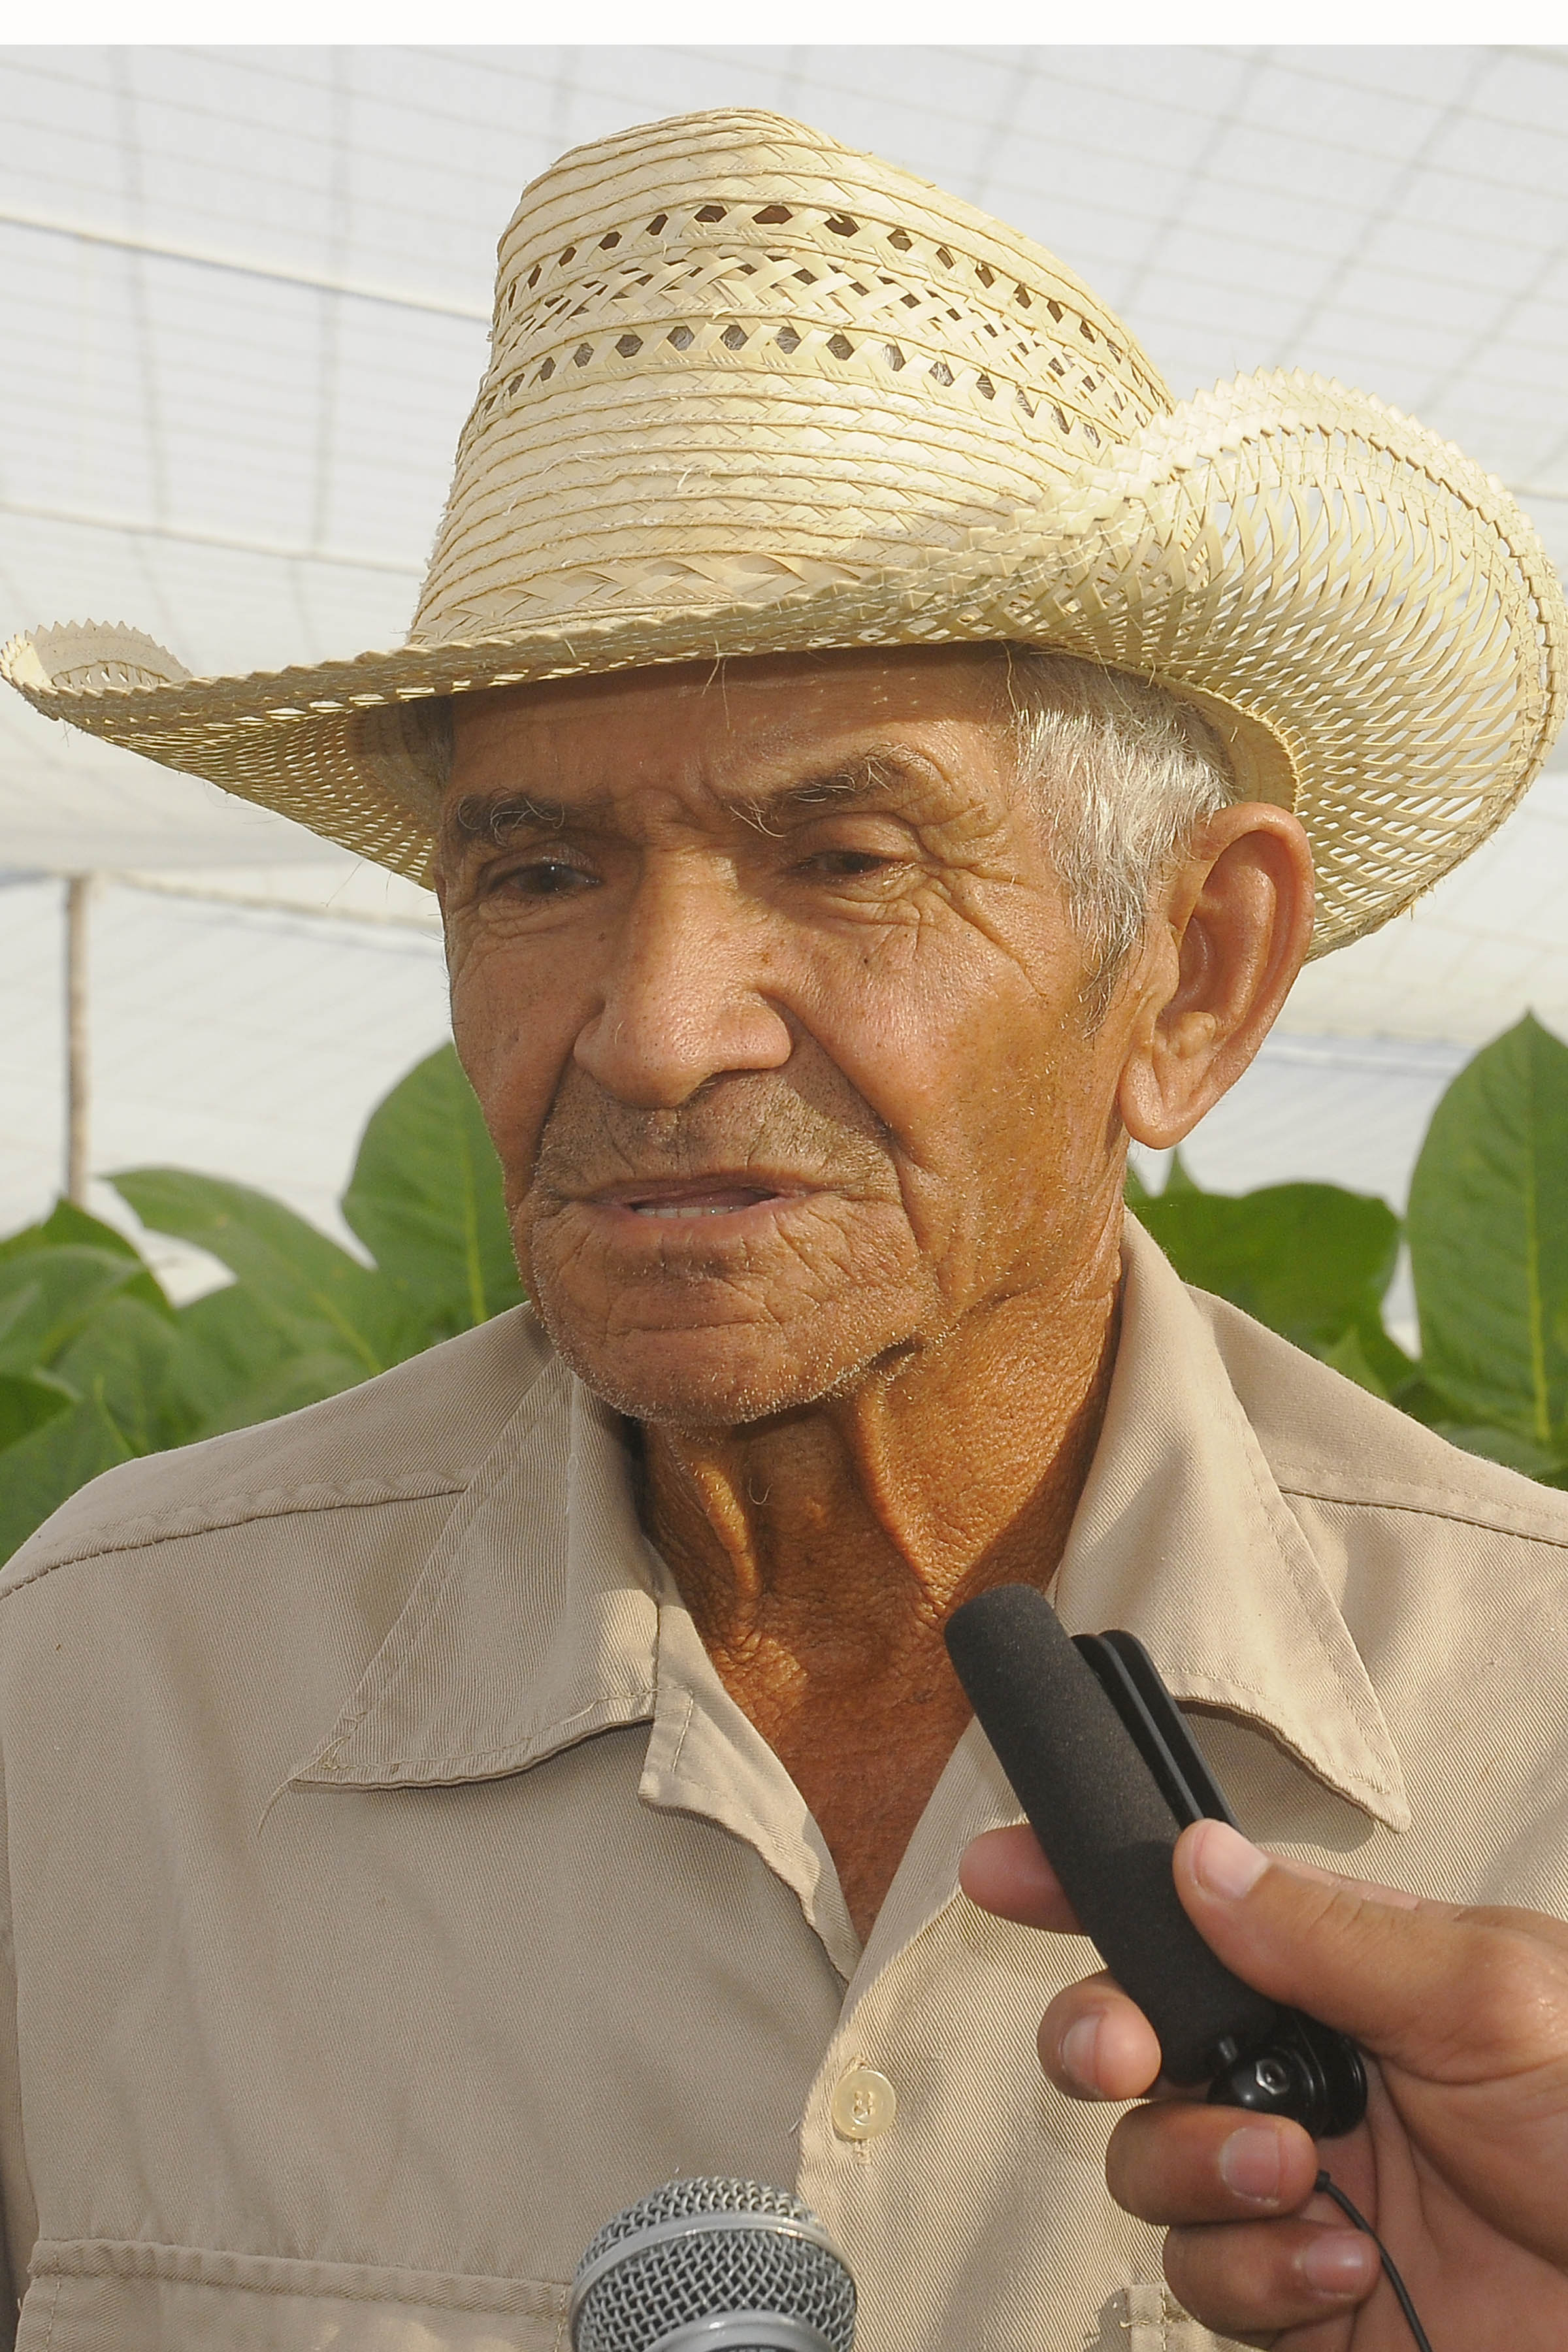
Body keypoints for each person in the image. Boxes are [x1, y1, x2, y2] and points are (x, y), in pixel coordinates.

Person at [2, 108, 1566, 2352]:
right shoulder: (94, 1703)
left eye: (846, 855)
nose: (647, 1033)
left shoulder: (1538, 1742)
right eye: (537, 874)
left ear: (1195, 976)